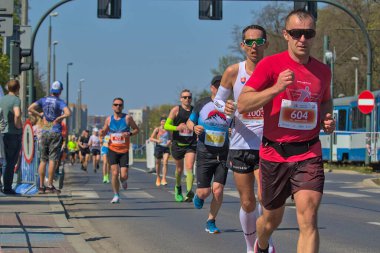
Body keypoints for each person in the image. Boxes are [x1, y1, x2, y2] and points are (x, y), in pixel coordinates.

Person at [237, 10, 335, 253]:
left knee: (309, 218)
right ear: (286, 35)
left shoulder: (323, 71)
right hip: (274, 154)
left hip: (308, 152)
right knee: (271, 220)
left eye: (308, 34)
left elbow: (325, 101)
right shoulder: (270, 65)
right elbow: (243, 104)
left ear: (314, 36)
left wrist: (326, 118)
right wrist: (276, 87)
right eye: (296, 33)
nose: (302, 39)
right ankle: (261, 245)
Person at [213, 25, 272, 253]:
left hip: (268, 144)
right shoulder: (233, 72)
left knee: (265, 198)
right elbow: (218, 100)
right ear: (242, 45)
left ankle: (264, 242)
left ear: (266, 43)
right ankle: (251, 247)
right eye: (249, 42)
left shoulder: (274, 70)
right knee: (247, 202)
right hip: (240, 145)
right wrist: (225, 106)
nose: (254, 47)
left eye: (258, 42)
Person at [187, 76, 230, 234]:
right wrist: (195, 127)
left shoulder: (230, 106)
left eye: (223, 86)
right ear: (212, 88)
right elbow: (189, 122)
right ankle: (198, 196)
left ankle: (211, 221)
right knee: (204, 192)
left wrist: (233, 130)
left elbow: (235, 124)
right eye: (217, 86)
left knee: (218, 190)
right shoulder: (202, 103)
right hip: (205, 153)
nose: (220, 89)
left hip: (222, 155)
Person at [28, 81, 71, 194]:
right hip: (55, 131)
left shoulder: (43, 100)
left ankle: (41, 186)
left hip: (45, 130)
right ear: (60, 91)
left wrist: (40, 115)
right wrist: (59, 118)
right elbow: (68, 113)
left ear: (51, 90)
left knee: (43, 160)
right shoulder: (60, 102)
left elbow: (30, 108)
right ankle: (50, 185)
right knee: (52, 159)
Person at [100, 97, 139, 204]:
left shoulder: (127, 118)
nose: (118, 106)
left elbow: (136, 129)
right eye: (116, 104)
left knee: (123, 175)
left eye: (120, 105)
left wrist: (130, 133)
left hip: (124, 150)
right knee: (114, 173)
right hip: (112, 149)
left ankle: (124, 181)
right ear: (113, 106)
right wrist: (102, 132)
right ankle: (116, 195)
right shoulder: (109, 119)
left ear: (123, 106)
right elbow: (104, 130)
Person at [164, 89, 197, 202]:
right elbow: (166, 126)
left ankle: (189, 192)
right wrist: (177, 128)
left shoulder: (195, 111)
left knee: (189, 167)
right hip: (177, 144)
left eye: (189, 97)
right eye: (184, 97)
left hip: (191, 144)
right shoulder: (176, 110)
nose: (187, 99)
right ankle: (178, 188)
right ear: (181, 99)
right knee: (179, 169)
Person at [0, 80, 22, 194]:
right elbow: (17, 114)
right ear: (18, 88)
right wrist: (18, 126)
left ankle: (3, 186)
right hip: (13, 133)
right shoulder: (16, 100)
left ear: (8, 88)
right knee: (11, 161)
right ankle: (7, 187)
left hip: (2, 132)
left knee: (4, 161)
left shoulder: (2, 99)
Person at [149, 117, 171, 187]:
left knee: (165, 162)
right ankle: (158, 177)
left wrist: (169, 141)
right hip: (159, 147)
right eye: (162, 121)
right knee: (158, 163)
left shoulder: (168, 130)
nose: (164, 123)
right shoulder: (157, 129)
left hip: (166, 147)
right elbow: (151, 138)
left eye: (165, 121)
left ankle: (164, 178)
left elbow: (171, 138)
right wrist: (157, 140)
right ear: (160, 122)